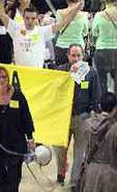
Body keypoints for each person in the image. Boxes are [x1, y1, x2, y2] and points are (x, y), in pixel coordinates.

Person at [55, 44, 101, 189]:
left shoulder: (91, 73)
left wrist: (95, 117)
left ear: (83, 56)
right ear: (68, 56)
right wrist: (68, 74)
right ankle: (61, 173)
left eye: (78, 55)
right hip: (63, 117)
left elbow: (96, 95)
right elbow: (54, 92)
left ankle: (75, 182)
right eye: (73, 55)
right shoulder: (60, 71)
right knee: (60, 149)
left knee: (79, 153)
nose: (76, 59)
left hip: (82, 117)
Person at [0, 0, 84, 68]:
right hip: (19, 72)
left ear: (36, 18)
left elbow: (63, 23)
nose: (30, 21)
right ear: (23, 18)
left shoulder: (42, 31)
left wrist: (76, 9)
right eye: (27, 18)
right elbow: (1, 14)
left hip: (37, 74)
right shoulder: (16, 29)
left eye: (33, 18)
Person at [79, 92, 117, 192]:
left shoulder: (87, 124)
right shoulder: (115, 128)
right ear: (115, 108)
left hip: (90, 173)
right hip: (110, 175)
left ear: (99, 106)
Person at [92, 0, 117, 97]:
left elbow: (94, 33)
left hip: (102, 50)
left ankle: (103, 107)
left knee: (101, 81)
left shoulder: (98, 15)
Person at [54, 0, 89, 65]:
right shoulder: (84, 15)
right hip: (78, 48)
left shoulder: (59, 13)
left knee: (61, 74)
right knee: (78, 74)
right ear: (79, 0)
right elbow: (85, 32)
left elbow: (58, 28)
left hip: (61, 46)